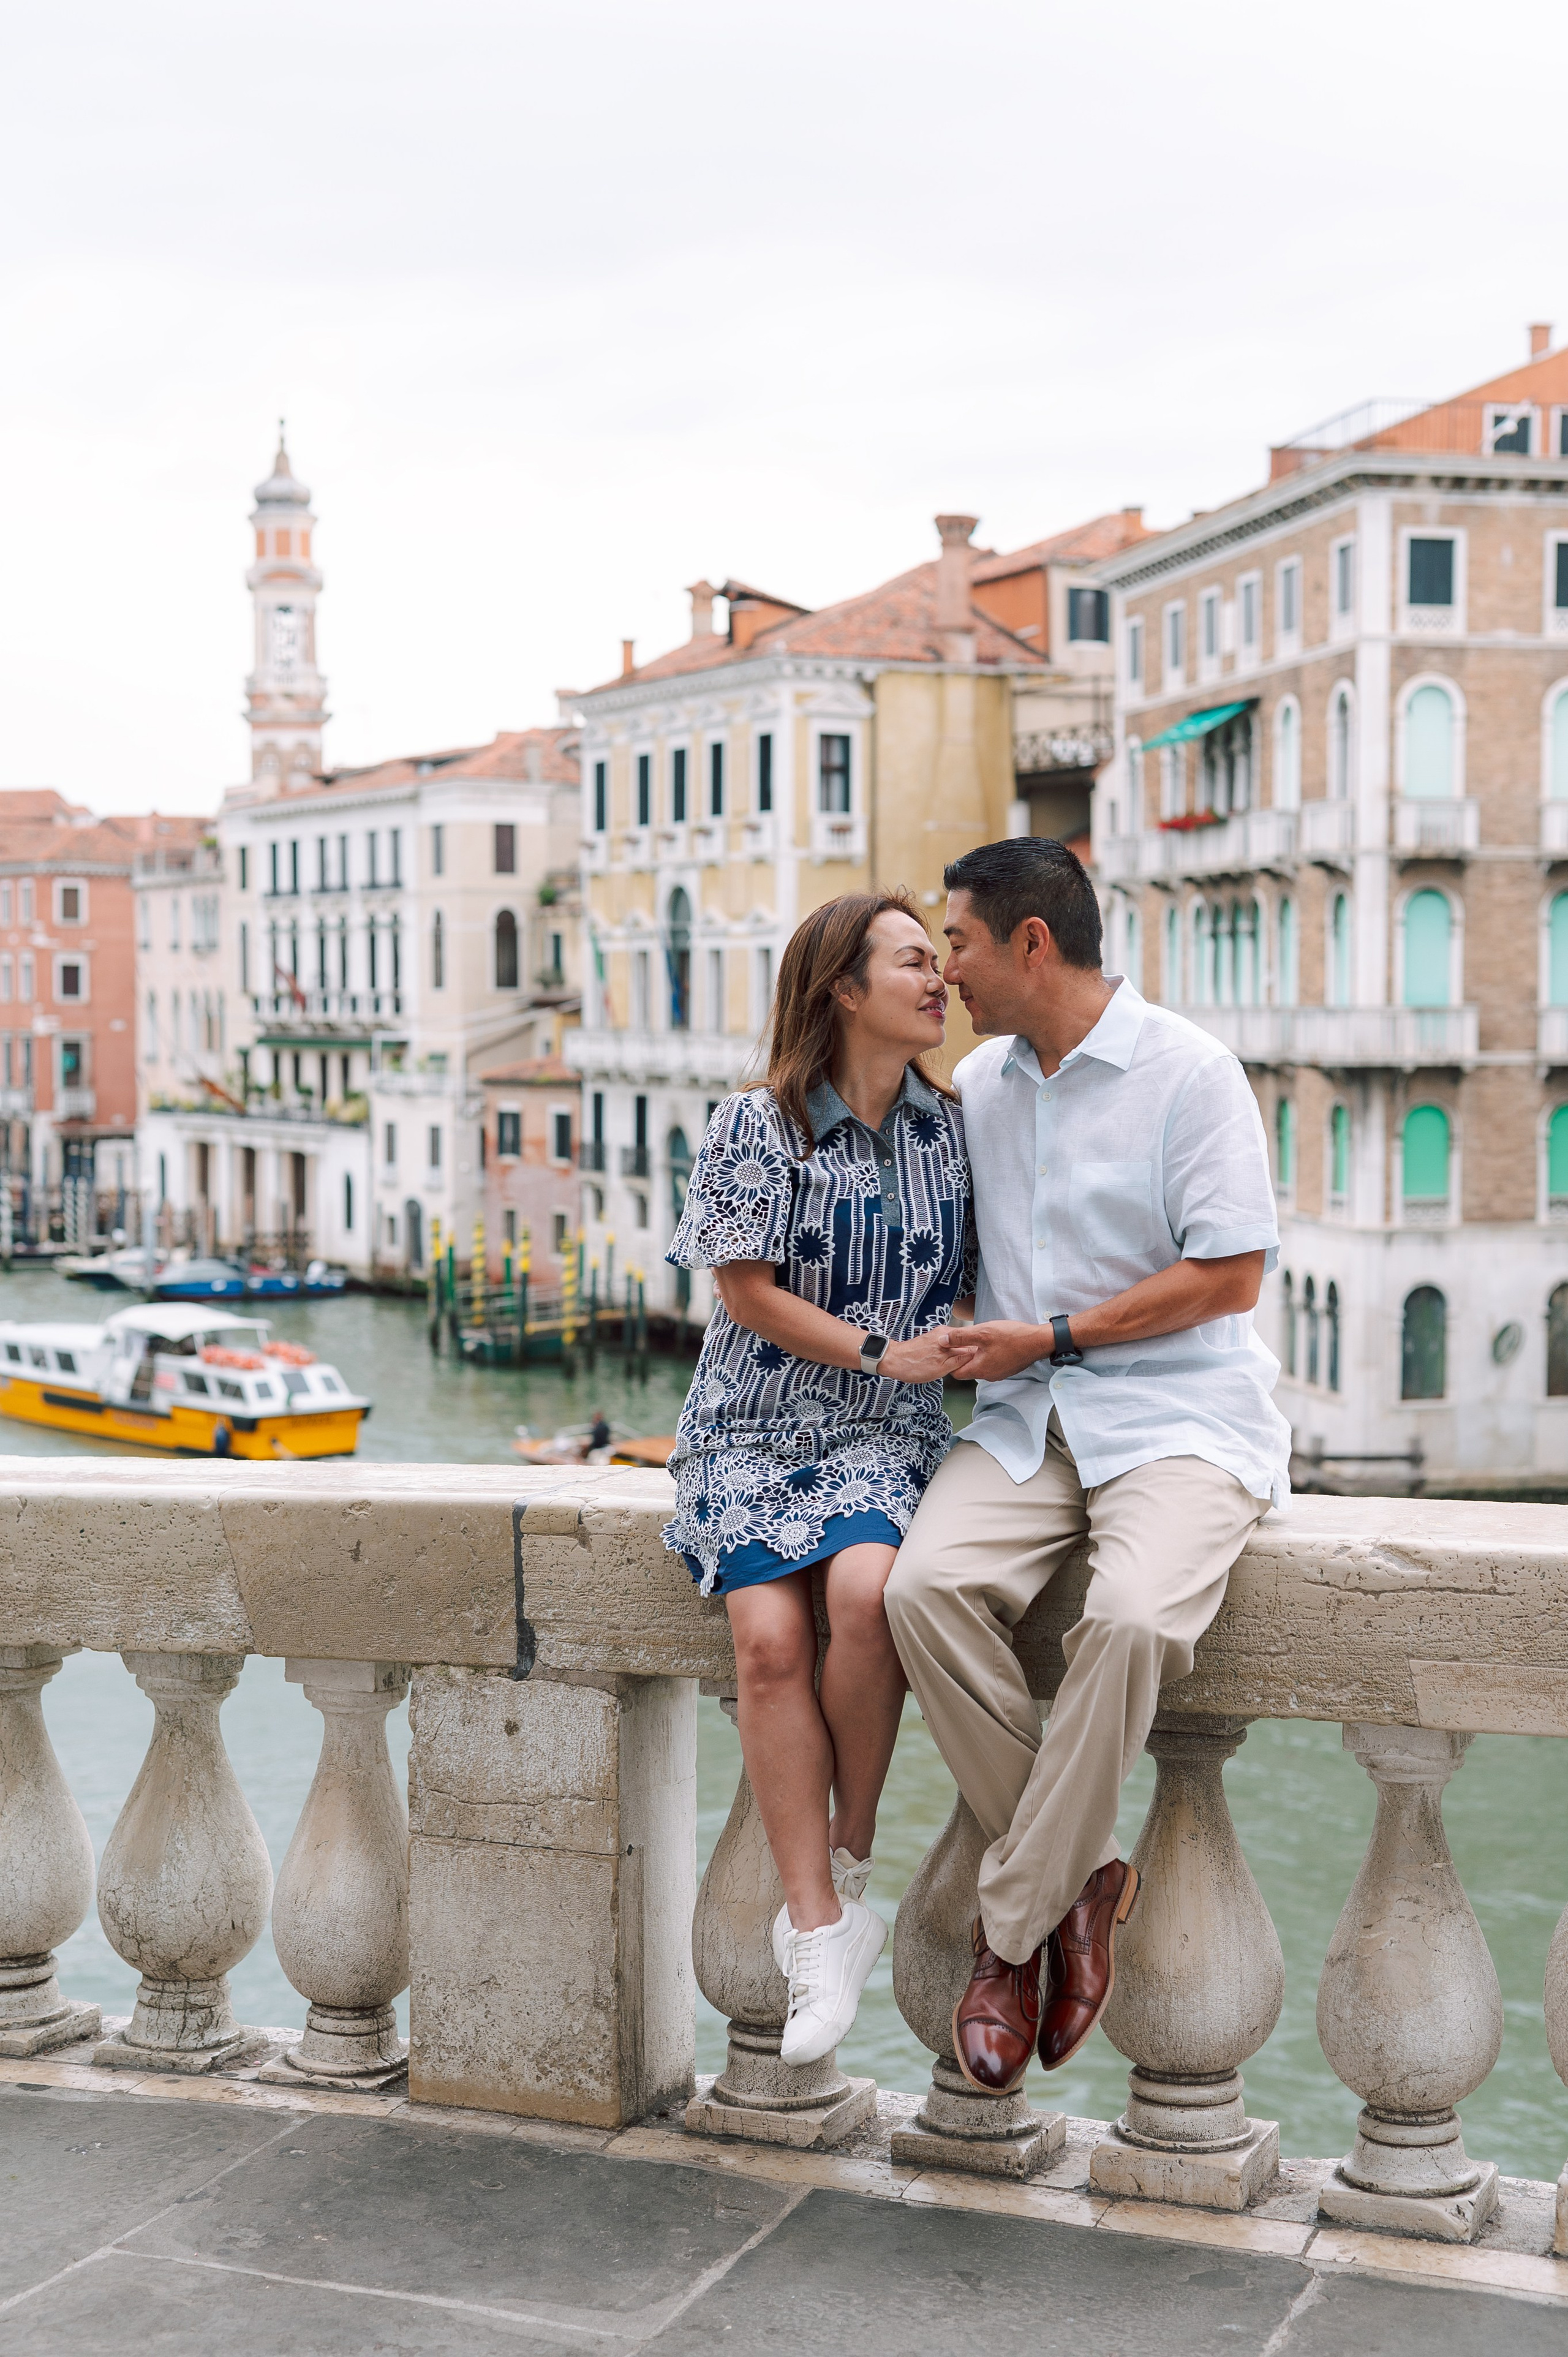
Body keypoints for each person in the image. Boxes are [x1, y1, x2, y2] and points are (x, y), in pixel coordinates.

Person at [884, 837, 1290, 2095]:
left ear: (1029, 944)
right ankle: (1083, 1873)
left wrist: (1053, 1333)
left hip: (1177, 1420)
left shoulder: (1191, 1074)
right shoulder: (984, 1087)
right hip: (1020, 1423)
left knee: (1123, 1620)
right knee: (918, 1593)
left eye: (953, 940)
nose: (944, 968)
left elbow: (1229, 1272)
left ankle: (1008, 1935)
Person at [662, 889, 974, 2065]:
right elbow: (742, 1289)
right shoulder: (761, 1122)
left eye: (937, 964)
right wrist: (886, 1348)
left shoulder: (953, 1129)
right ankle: (818, 1922)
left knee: (863, 1597)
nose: (937, 979)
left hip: (885, 1434)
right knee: (768, 1645)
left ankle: (849, 1852)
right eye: (911, 963)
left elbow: (978, 1277)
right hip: (750, 1424)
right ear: (844, 990)